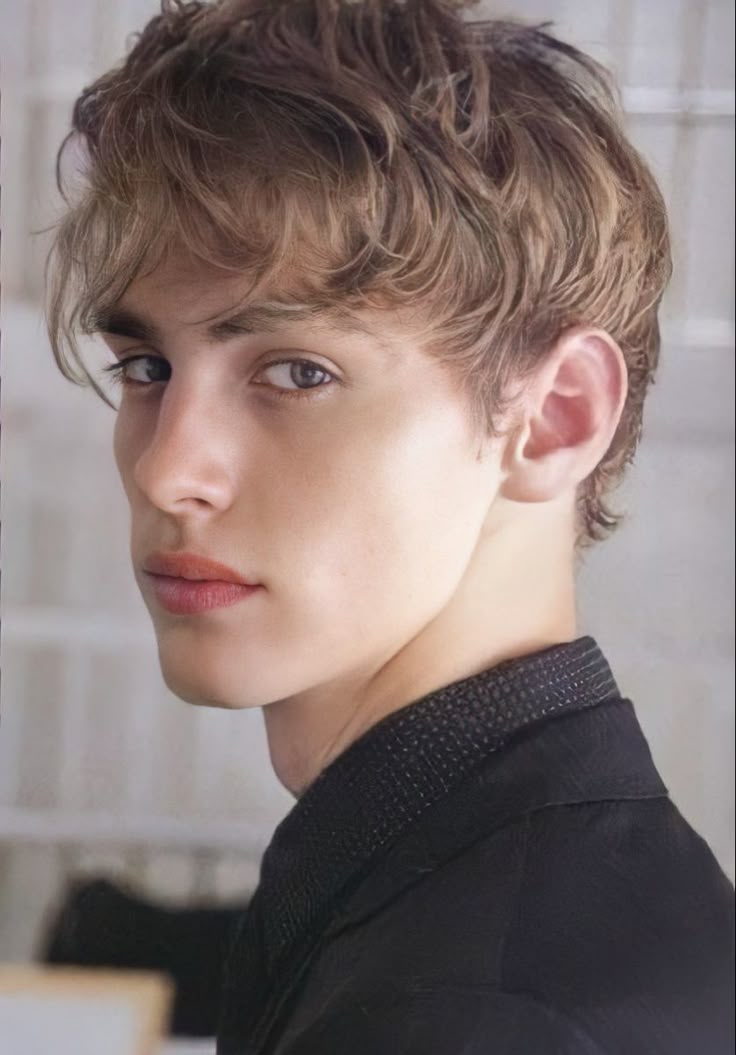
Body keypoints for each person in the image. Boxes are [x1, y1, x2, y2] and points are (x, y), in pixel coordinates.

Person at [45, 1, 734, 1052]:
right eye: (149, 368)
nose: (167, 467)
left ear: (553, 419)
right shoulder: (471, 884)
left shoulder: (475, 1013)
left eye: (296, 371)